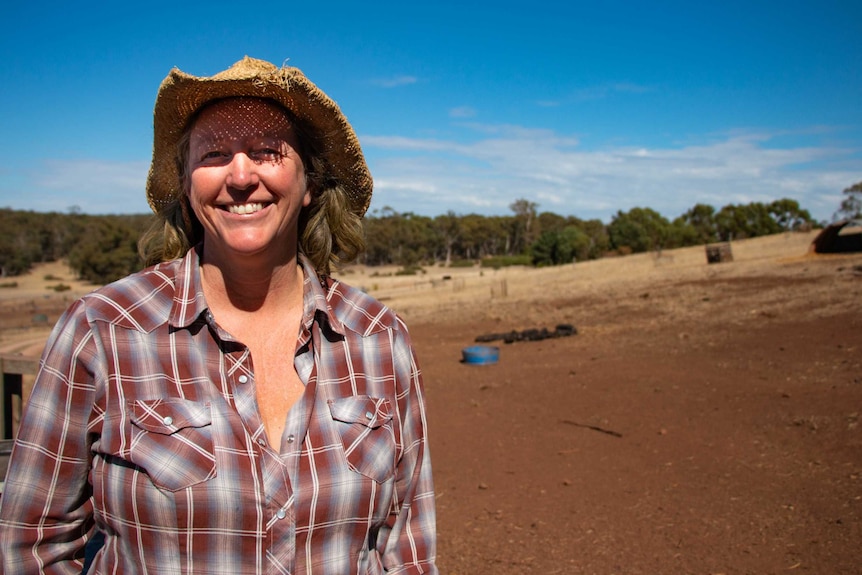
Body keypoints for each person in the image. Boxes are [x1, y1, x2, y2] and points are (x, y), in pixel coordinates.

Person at [0, 56, 438, 574]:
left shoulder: (379, 337)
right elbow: (32, 544)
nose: (240, 175)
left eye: (266, 152)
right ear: (187, 185)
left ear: (310, 184)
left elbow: (407, 550)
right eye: (213, 154)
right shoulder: (103, 330)